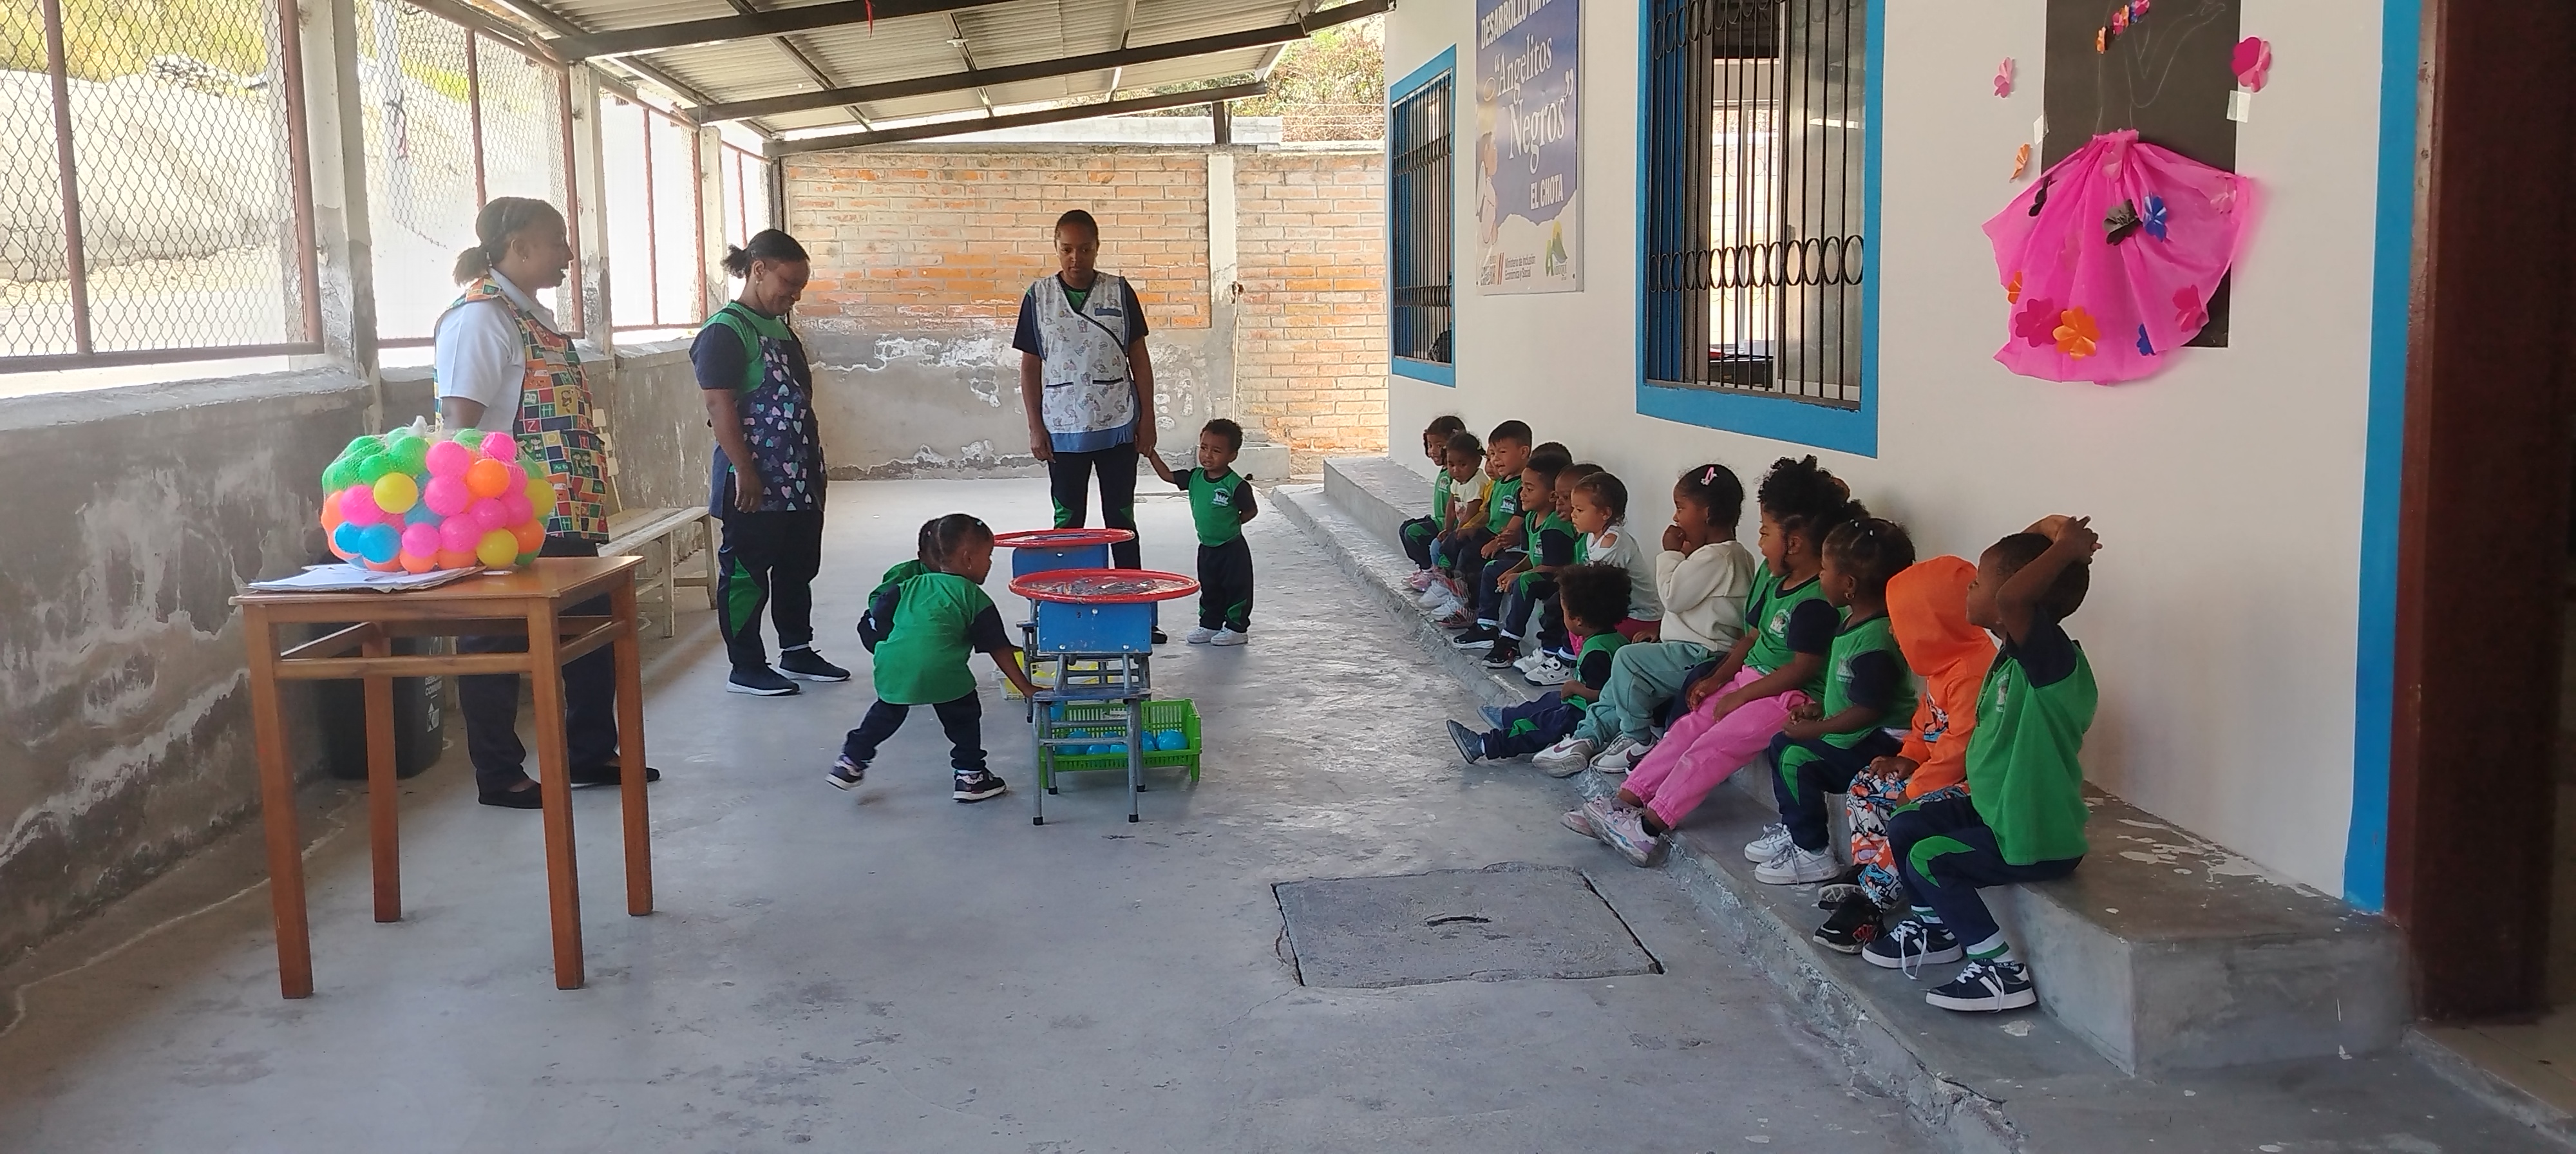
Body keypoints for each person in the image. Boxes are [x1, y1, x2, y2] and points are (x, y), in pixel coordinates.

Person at [432, 196, 655, 809]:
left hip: (563, 505)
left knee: (591, 628)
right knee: (496, 640)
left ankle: (590, 751)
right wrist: (480, 520)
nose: (568, 254)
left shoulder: (531, 316)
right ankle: (499, 773)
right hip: (507, 514)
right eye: (557, 240)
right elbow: (460, 429)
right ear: (520, 247)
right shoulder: (481, 318)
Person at [1571, 457, 1860, 860]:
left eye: (1765, 532)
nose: (1759, 542)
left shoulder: (1815, 601)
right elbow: (1750, 637)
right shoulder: (1771, 576)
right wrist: (1719, 680)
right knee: (1686, 729)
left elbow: (1802, 669)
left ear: (1793, 543)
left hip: (1789, 697)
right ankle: (1625, 802)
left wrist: (1739, 696)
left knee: (1713, 746)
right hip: (1749, 681)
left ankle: (1649, 827)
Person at [1868, 518, 2099, 1013]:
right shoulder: (2015, 654)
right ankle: (1936, 931)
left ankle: (2001, 972)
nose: (1968, 589)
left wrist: (2066, 549)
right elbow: (2012, 582)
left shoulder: (2050, 666)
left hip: (2033, 835)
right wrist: (2048, 533)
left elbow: (2014, 595)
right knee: (1907, 823)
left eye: (1976, 583)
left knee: (1930, 858)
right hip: (1995, 812)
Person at [1812, 555, 1994, 954]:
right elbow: (1926, 727)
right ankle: (1869, 870)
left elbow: (1959, 750)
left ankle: (1869, 904)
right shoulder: (1942, 666)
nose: (1894, 632)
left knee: (1910, 816)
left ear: (1934, 625)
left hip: (1972, 788)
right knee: (1866, 786)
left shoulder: (1972, 674)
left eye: (1902, 622)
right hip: (1936, 775)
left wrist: (1915, 788)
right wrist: (1909, 755)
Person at [695, 229, 844, 697]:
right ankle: (746, 665)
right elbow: (720, 406)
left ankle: (797, 650)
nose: (794, 295)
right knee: (747, 571)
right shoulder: (725, 330)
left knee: (798, 568)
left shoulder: (781, 328)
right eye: (788, 283)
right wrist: (746, 470)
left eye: (800, 287)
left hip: (800, 478)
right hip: (754, 482)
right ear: (758, 270)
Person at [1012, 209, 1164, 642]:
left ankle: (1137, 616)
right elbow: (1030, 367)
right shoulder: (1039, 296)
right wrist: (1036, 426)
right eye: (1066, 249)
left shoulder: (1119, 291)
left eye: (1084, 249)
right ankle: (1070, 614)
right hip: (1062, 429)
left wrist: (1147, 418)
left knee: (1121, 520)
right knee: (1068, 523)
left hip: (1117, 423)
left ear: (1097, 249)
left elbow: (1139, 359)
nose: (1075, 258)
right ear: (1056, 248)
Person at [1532, 464, 1756, 751]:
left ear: (1707, 513)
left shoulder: (1718, 557)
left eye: (1681, 508)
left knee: (1628, 659)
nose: (1675, 517)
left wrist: (1671, 553)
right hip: (1688, 648)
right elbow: (1694, 612)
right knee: (1619, 683)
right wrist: (1660, 631)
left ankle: (1637, 738)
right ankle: (1588, 736)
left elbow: (1672, 597)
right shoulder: (1723, 555)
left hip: (1701, 654)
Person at [1752, 518, 1920, 885]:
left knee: (1797, 757)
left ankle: (1812, 852)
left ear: (1849, 585)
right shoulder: (1854, 621)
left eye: (1825, 569)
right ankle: (1795, 830)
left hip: (1883, 740)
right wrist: (1820, 710)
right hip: (1859, 729)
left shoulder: (1877, 637)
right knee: (1782, 745)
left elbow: (1870, 708)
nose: (1820, 576)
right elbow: (1850, 693)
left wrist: (1820, 728)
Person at [829, 515, 1038, 802]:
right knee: (963, 717)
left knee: (885, 714)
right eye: (988, 556)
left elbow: (877, 619)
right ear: (968, 559)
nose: (990, 563)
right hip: (944, 671)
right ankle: (971, 776)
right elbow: (998, 648)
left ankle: (851, 761)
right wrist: (1026, 688)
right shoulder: (974, 597)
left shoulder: (905, 586)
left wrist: (894, 649)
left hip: (893, 665)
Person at [1448, 564, 1630, 766]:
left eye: (1564, 612)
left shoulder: (1597, 653)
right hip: (1583, 705)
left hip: (1586, 714)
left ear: (1578, 620)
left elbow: (1602, 694)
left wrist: (1574, 687)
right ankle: (1508, 718)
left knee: (1540, 726)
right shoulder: (1613, 638)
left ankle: (1483, 745)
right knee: (1549, 700)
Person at [1148, 418, 1260, 645]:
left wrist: (1231, 525)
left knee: (1237, 588)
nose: (1208, 455)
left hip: (1232, 548)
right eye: (1204, 448)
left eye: (1216, 451)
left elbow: (1251, 511)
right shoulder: (1195, 477)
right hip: (1207, 547)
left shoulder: (1236, 485)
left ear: (1232, 456)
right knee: (1210, 588)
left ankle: (1237, 629)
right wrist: (1151, 454)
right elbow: (1167, 476)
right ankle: (1210, 625)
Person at [1478, 450, 1576, 671]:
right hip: (1539, 570)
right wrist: (1513, 570)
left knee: (1525, 582)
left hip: (1557, 577)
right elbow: (1532, 556)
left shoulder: (1556, 524)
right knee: (1493, 568)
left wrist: (1520, 575)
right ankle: (1486, 626)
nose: (1522, 493)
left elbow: (1556, 565)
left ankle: (1510, 643)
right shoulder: (1531, 517)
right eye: (1522, 487)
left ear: (1552, 496)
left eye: (1530, 489)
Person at [1449, 421, 1535, 648]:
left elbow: (1516, 523)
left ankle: (1482, 621)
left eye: (1502, 453)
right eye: (1492, 454)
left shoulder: (1523, 487)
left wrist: (1496, 543)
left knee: (1482, 564)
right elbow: (1488, 512)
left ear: (1524, 452)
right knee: (1457, 545)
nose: (1495, 460)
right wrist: (1472, 526)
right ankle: (1460, 600)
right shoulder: (1499, 483)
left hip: (1512, 546)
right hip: (1496, 536)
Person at [1419, 431, 1489, 621]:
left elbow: (1472, 511)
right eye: (1451, 465)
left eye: (1462, 464)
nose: (1456, 470)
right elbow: (1451, 506)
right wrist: (1448, 528)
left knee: (1458, 552)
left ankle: (1457, 593)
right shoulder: (1458, 481)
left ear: (1477, 461)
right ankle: (1444, 584)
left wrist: (1458, 531)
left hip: (1474, 529)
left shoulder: (1477, 481)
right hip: (1460, 529)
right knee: (1437, 545)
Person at [1403, 415, 1470, 589]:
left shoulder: (1457, 474)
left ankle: (1430, 571)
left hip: (1448, 524)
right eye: (1430, 445)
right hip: (1438, 519)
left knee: (1413, 533)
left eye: (1439, 446)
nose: (1433, 451)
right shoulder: (1445, 470)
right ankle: (1424, 568)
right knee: (1405, 528)